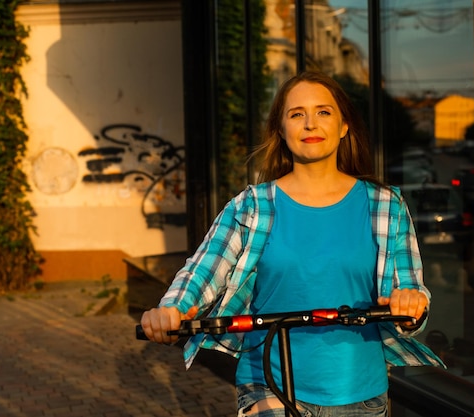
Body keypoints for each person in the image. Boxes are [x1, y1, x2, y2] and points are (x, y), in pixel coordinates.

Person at [140, 71, 444, 417]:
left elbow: (410, 291)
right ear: (281, 131)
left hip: (359, 391)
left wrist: (410, 305)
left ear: (344, 126)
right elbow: (204, 269)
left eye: (324, 112)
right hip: (269, 383)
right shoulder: (252, 205)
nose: (310, 124)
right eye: (297, 114)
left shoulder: (385, 205)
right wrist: (172, 310)